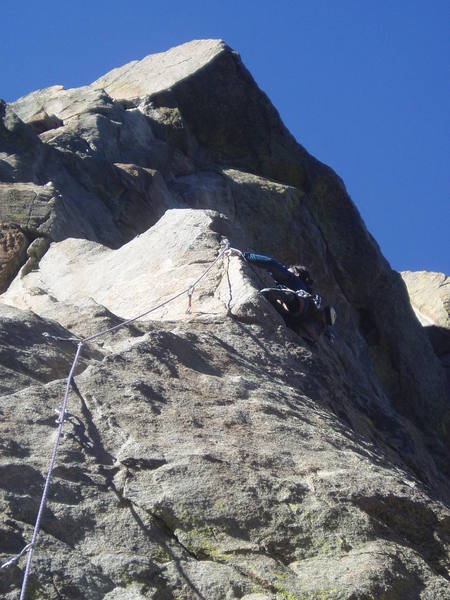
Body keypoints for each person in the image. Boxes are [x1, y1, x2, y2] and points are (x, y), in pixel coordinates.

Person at [226, 249, 336, 341]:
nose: (286, 268)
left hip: (298, 303)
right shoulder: (308, 295)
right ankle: (281, 299)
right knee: (289, 300)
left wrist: (243, 255)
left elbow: (272, 264)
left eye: (290, 269)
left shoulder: (296, 282)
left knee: (291, 297)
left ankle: (283, 297)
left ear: (297, 273)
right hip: (297, 317)